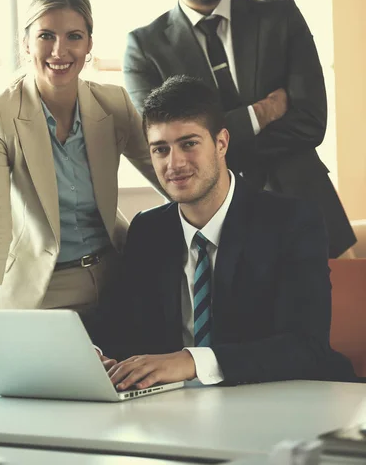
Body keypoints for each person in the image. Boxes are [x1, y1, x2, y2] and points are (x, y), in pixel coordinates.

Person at [123, 0, 356, 259]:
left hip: (310, 215)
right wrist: (261, 113)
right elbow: (167, 144)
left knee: (343, 316)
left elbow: (311, 123)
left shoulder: (281, 19)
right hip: (219, 234)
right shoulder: (144, 47)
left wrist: (211, 148)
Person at [96, 76, 355, 390]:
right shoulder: (148, 230)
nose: (173, 163)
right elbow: (128, 329)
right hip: (177, 409)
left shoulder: (292, 222)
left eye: (188, 144)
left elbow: (306, 347)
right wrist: (103, 357)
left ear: (221, 143)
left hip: (281, 402)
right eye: (160, 149)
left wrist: (193, 361)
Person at [0, 0, 159, 377]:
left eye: (74, 36)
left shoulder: (114, 103)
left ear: (89, 44)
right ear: (26, 43)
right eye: (46, 36)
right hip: (40, 296)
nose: (59, 50)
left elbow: (168, 174)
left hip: (112, 283)